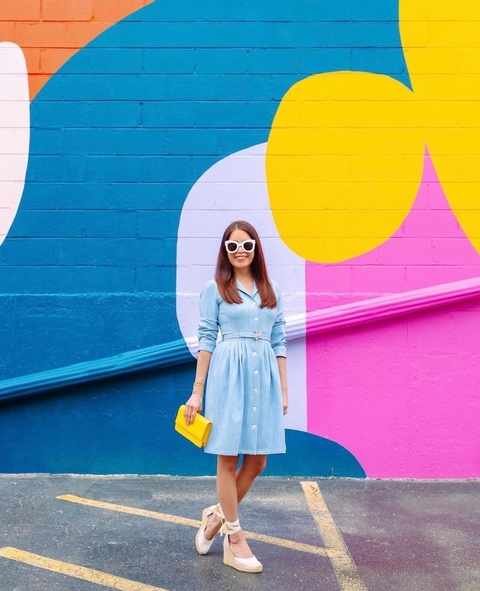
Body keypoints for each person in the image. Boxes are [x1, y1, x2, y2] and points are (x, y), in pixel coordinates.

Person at [184, 220, 288, 574]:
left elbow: (279, 341)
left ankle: (215, 515)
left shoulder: (270, 287)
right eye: (233, 246)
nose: (240, 252)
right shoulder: (214, 288)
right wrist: (198, 391)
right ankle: (234, 537)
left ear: (256, 249)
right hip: (228, 376)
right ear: (225, 251)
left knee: (258, 461)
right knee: (227, 458)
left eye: (247, 245)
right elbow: (207, 339)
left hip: (264, 377)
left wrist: (284, 391)